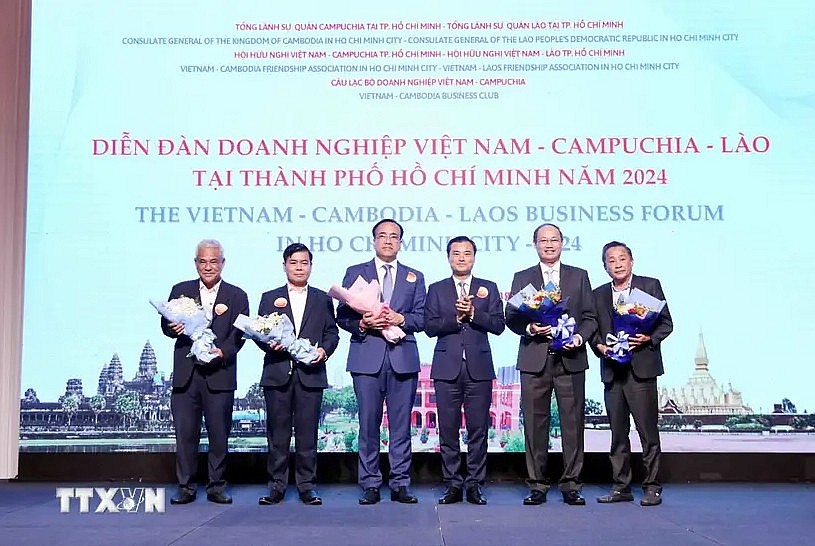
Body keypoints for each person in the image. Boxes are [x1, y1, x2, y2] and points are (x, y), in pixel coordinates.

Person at [505, 223, 597, 506]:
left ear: (562, 243)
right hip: (535, 360)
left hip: (570, 360)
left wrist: (580, 338)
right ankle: (538, 485)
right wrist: (531, 328)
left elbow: (590, 317)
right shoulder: (523, 277)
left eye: (554, 240)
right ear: (535, 244)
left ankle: (571, 484)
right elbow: (511, 317)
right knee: (534, 425)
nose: (548, 244)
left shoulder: (578, 276)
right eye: (543, 240)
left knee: (572, 424)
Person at [336, 219, 426, 505]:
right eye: (382, 236)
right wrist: (362, 323)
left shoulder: (415, 276)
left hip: (403, 358)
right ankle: (370, 483)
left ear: (401, 242)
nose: (388, 241)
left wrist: (400, 319)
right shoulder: (355, 272)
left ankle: (400, 483)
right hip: (367, 359)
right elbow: (342, 316)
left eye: (394, 237)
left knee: (401, 425)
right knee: (368, 424)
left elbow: (423, 318)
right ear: (373, 240)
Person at [161, 239, 249, 505]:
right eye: (203, 261)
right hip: (187, 375)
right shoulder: (181, 290)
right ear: (196, 263)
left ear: (223, 263)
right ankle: (186, 487)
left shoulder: (237, 295)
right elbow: (165, 325)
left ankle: (217, 487)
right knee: (185, 433)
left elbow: (240, 334)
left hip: (219, 374)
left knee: (219, 435)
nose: (208, 266)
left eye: (214, 261)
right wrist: (171, 327)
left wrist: (223, 351)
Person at [256, 243, 339, 506]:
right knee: (277, 435)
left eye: (304, 262)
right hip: (278, 373)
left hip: (310, 374)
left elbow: (332, 333)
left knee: (307, 435)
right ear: (285, 266)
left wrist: (324, 351)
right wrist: (269, 343)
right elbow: (259, 331)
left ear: (311, 267)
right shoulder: (270, 297)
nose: (299, 267)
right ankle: (276, 487)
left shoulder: (322, 298)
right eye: (294, 262)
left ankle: (307, 486)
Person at [591, 241, 673, 507]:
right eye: (611, 260)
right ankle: (621, 487)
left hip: (641, 370)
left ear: (631, 260)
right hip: (613, 372)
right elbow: (592, 330)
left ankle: (652, 487)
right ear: (605, 267)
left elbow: (666, 324)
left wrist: (647, 339)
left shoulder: (650, 286)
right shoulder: (598, 294)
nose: (617, 263)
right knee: (617, 433)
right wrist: (599, 346)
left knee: (647, 432)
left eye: (622, 258)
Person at [425, 236, 505, 505]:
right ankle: (452, 484)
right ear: (448, 257)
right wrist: (455, 319)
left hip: (479, 368)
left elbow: (498, 325)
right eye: (456, 253)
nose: (461, 258)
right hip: (446, 368)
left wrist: (473, 314)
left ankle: (474, 484)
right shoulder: (436, 289)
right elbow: (430, 326)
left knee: (478, 429)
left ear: (474, 257)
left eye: (467, 253)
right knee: (447, 429)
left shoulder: (489, 287)